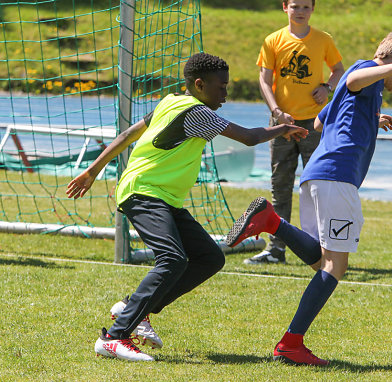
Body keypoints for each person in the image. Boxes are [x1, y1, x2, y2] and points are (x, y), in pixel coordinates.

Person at [66, 52, 308, 361]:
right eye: (221, 87)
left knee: (209, 258)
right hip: (144, 192)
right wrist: (283, 128)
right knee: (173, 259)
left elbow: (129, 134)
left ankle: (133, 307)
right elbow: (248, 137)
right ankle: (114, 337)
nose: (225, 93)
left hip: (162, 196)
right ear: (199, 84)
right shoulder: (198, 112)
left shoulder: (170, 101)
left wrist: (92, 171)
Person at [227, 32, 392, 365]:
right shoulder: (366, 72)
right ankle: (290, 344)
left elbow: (321, 121)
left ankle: (271, 221)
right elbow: (353, 78)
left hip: (318, 175)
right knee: (337, 265)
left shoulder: (370, 89)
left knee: (323, 261)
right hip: (338, 175)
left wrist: (367, 117)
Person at [244, 0, 344, 265]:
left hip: (314, 124)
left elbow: (338, 71)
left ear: (313, 10)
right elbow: (264, 81)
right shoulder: (272, 40)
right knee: (281, 185)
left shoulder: (323, 40)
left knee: (317, 186)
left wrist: (327, 87)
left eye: (306, 7)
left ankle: (323, 247)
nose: (300, 11)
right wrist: (277, 112)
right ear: (285, 7)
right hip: (281, 125)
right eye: (295, 6)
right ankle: (276, 249)